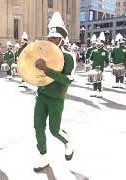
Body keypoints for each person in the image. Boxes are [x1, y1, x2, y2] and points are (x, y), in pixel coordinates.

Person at [33, 12, 75, 172]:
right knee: (38, 127)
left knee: (54, 130)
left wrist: (47, 70)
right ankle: (43, 157)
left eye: (55, 38)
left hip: (56, 98)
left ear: (62, 40)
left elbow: (68, 80)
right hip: (41, 95)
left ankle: (67, 141)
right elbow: (32, 71)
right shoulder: (42, 54)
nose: (51, 40)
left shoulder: (68, 57)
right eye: (50, 38)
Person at [89, 32, 109, 98]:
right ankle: (94, 92)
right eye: (97, 44)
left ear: (102, 45)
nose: (98, 45)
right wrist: (90, 62)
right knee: (94, 80)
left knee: (99, 80)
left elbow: (107, 60)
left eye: (100, 44)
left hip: (101, 67)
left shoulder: (105, 51)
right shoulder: (93, 51)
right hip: (94, 67)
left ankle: (99, 92)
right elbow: (90, 58)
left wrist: (107, 64)